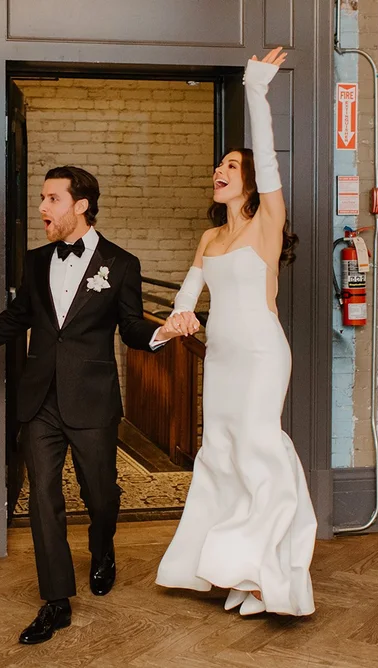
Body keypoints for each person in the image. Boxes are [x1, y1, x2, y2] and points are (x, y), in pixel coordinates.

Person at [0, 166, 181, 644]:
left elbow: (130, 328)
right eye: (42, 199)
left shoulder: (121, 264)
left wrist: (161, 332)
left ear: (81, 205)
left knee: (101, 495)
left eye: (52, 199)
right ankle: (56, 600)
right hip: (39, 397)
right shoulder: (35, 260)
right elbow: (16, 317)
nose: (42, 208)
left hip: (91, 400)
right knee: (44, 497)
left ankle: (103, 546)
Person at [154, 48, 316, 616]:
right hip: (219, 359)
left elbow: (268, 158)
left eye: (231, 166)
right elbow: (185, 301)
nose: (219, 171)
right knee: (220, 455)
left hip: (261, 353)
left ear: (250, 181)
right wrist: (176, 321)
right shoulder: (208, 239)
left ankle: (261, 571)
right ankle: (229, 569)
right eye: (217, 166)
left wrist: (255, 91)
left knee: (257, 448)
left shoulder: (266, 224)